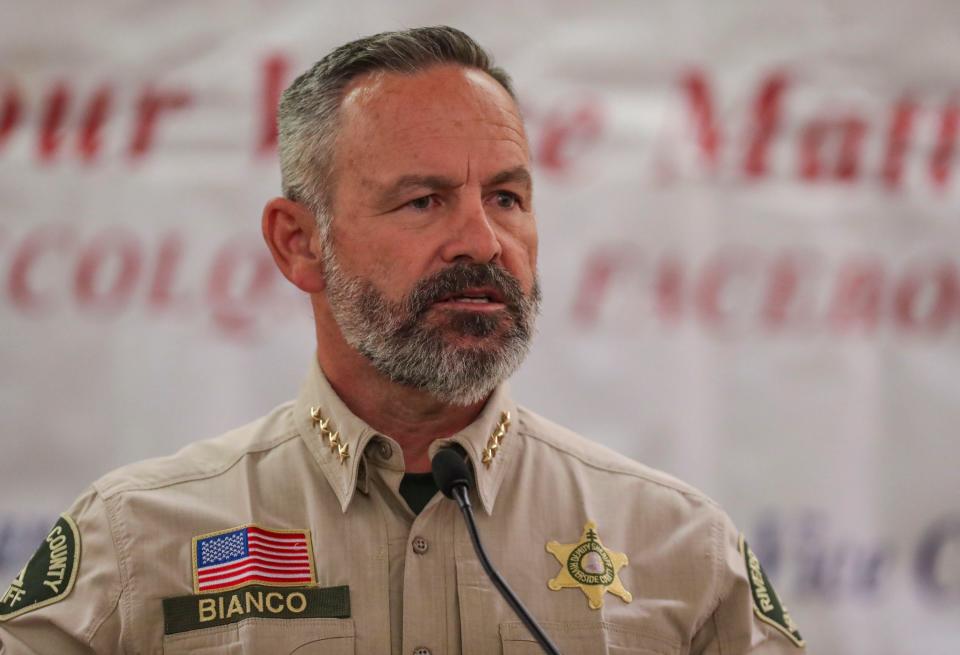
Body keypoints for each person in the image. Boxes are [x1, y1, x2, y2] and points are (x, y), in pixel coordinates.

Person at [0, 26, 805, 654]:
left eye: (506, 196)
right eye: (424, 201)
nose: (484, 242)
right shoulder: (138, 540)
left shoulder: (675, 547)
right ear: (297, 243)